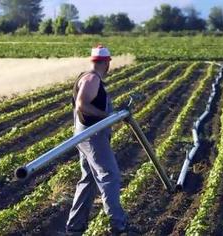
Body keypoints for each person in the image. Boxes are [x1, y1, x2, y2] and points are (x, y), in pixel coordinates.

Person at [66, 45, 134, 236]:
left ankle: (75, 227)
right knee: (109, 176)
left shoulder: (87, 77)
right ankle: (118, 226)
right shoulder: (91, 78)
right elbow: (82, 104)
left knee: (88, 179)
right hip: (92, 136)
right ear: (106, 62)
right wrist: (105, 115)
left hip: (84, 134)